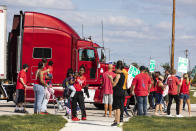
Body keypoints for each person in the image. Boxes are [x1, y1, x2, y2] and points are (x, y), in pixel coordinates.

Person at [108, 61, 125, 126]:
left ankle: (117, 121)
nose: (115, 70)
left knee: (117, 107)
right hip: (122, 91)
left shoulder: (118, 75)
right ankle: (117, 120)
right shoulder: (123, 74)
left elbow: (114, 84)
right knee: (119, 106)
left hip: (117, 92)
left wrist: (111, 79)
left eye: (115, 69)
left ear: (118, 68)